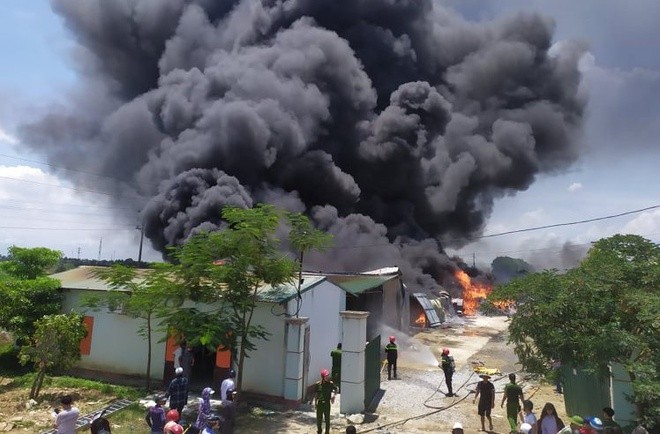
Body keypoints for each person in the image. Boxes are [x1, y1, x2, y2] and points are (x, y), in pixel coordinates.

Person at [314, 369, 338, 434]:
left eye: (328, 375)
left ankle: (327, 432)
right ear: (323, 377)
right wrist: (315, 403)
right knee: (319, 419)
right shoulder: (318, 384)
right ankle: (319, 431)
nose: (328, 377)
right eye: (326, 376)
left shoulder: (330, 384)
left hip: (327, 403)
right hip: (320, 404)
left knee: (327, 419)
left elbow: (336, 389)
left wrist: (333, 396)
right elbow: (316, 394)